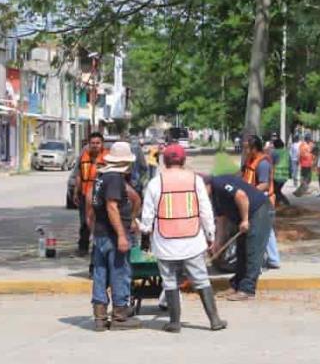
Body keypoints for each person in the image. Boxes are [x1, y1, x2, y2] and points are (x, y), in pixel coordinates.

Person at [138, 145, 227, 333]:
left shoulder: (156, 182)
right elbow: (205, 211)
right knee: (201, 279)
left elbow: (147, 215)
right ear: (184, 160)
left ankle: (175, 322)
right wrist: (210, 234)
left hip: (164, 242)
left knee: (169, 281)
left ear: (164, 161)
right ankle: (214, 320)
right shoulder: (195, 181)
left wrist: (145, 231)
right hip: (192, 241)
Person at [88, 141, 141, 331]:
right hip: (112, 234)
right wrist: (121, 235)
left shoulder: (101, 177)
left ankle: (100, 317)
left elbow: (93, 205)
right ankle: (120, 316)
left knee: (100, 273)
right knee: (120, 273)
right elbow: (111, 206)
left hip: (101, 233)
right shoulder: (114, 179)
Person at [208, 175, 273, 301]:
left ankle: (247, 289)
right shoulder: (213, 197)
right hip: (245, 216)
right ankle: (237, 284)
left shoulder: (219, 183)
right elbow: (222, 219)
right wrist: (218, 243)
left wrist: (244, 220)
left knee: (253, 250)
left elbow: (241, 196)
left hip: (259, 210)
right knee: (241, 250)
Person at [241, 135, 280, 269]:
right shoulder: (250, 160)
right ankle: (271, 259)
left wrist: (248, 192)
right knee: (264, 230)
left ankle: (273, 259)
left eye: (247, 148)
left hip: (263, 200)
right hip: (254, 199)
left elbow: (264, 184)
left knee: (266, 230)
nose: (244, 151)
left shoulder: (262, 163)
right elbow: (243, 175)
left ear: (254, 148)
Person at [74, 132, 109, 256]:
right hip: (84, 194)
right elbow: (79, 175)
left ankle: (99, 247)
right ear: (89, 144)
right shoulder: (84, 156)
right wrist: (75, 192)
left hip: (101, 196)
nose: (95, 146)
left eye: (97, 143)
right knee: (84, 222)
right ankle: (83, 247)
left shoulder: (108, 157)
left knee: (100, 222)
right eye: (92, 143)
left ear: (102, 144)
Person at [271, 138, 292, 205]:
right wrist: (290, 174)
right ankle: (280, 203)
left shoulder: (273, 153)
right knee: (277, 190)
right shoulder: (287, 152)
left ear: (275, 145)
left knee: (275, 191)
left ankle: (285, 203)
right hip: (285, 175)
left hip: (276, 175)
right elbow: (290, 164)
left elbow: (271, 164)